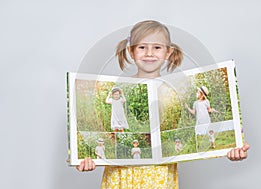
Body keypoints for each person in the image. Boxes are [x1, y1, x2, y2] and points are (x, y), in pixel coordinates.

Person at [76, 20, 250, 188]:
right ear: (131, 51)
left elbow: (194, 131)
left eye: (157, 47)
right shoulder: (119, 89)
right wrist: (86, 158)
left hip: (159, 177)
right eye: (142, 47)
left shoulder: (174, 91)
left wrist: (231, 148)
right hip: (121, 177)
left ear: (168, 52)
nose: (149, 53)